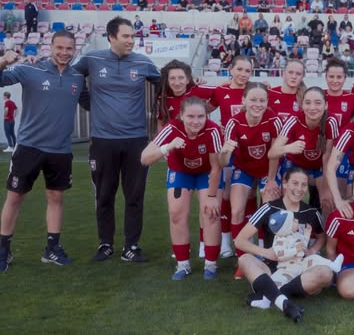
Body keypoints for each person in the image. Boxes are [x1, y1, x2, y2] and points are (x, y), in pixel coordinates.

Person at [73, 16, 161, 263]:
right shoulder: (92, 59)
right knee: (104, 195)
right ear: (111, 37)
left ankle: (131, 246)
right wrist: (88, 103)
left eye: (133, 36)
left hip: (136, 141)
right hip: (103, 141)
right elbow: (70, 77)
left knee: (134, 196)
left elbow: (165, 86)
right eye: (126, 36)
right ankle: (106, 244)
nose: (131, 40)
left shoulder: (143, 62)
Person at [0, 31, 85, 272]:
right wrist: (4, 60)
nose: (64, 53)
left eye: (69, 49)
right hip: (29, 147)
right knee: (15, 197)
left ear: (74, 49)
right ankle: (3, 250)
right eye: (60, 48)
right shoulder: (30, 69)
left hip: (61, 149)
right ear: (50, 46)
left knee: (56, 198)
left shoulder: (78, 78)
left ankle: (52, 249)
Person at [235, 168, 333, 323]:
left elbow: (322, 237)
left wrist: (312, 250)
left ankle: (270, 293)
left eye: (303, 185)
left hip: (299, 269)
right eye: (295, 183)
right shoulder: (269, 208)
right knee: (244, 259)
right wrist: (265, 252)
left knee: (326, 273)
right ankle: (283, 301)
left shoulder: (311, 212)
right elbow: (239, 240)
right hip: (271, 269)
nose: (299, 189)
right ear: (285, 184)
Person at [140, 97, 224, 280]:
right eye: (191, 116)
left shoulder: (213, 130)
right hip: (181, 171)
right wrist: (168, 147)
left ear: (206, 116)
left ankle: (211, 264)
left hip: (206, 172)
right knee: (176, 215)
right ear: (181, 115)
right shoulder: (171, 128)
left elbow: (216, 167)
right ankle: (183, 264)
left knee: (210, 213)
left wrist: (211, 196)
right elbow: (145, 158)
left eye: (200, 116)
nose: (196, 121)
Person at [221, 82, 282, 279]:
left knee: (269, 210)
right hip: (244, 169)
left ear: (267, 102)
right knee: (237, 210)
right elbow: (223, 161)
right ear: (244, 100)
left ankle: (267, 256)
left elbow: (274, 153)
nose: (257, 104)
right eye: (253, 99)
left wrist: (271, 179)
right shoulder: (234, 122)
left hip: (267, 169)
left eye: (262, 100)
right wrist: (224, 152)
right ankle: (243, 259)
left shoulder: (273, 119)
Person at [267, 87, 339, 216]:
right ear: (302, 105)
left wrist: (326, 189)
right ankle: (289, 226)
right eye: (308, 102)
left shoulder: (331, 121)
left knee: (327, 201)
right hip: (296, 164)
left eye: (318, 103)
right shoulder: (294, 120)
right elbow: (272, 153)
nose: (312, 107)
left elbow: (327, 157)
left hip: (318, 167)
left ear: (326, 105)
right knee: (289, 196)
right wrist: (288, 148)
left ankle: (320, 228)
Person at [209, 56, 254, 258]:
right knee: (227, 196)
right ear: (231, 69)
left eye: (247, 71)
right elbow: (204, 109)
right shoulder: (221, 90)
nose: (243, 74)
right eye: (240, 69)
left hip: (250, 151)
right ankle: (226, 242)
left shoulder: (255, 89)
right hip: (229, 151)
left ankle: (248, 239)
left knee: (250, 195)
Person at [324, 58, 354, 128]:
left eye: (339, 77)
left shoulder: (352, 98)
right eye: (331, 76)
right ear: (326, 77)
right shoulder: (319, 96)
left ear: (344, 78)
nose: (335, 80)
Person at [269, 59, 305, 123]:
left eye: (298, 74)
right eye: (290, 72)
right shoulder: (269, 93)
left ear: (302, 77)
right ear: (283, 73)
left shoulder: (305, 98)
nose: (294, 76)